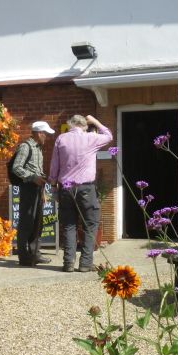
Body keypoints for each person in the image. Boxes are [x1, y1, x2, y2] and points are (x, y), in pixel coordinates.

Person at [48, 114, 113, 272]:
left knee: (69, 225)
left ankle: (68, 263)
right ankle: (85, 263)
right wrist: (95, 121)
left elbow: (54, 165)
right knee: (90, 225)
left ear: (70, 124)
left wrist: (53, 186)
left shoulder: (61, 139)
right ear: (84, 125)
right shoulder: (91, 137)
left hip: (66, 186)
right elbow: (109, 136)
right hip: (86, 187)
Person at [11, 121, 55, 266]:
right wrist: (32, 177)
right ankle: (24, 257)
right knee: (26, 222)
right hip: (28, 188)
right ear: (39, 133)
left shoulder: (38, 148)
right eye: (45, 134)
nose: (46, 137)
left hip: (37, 188)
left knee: (37, 223)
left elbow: (38, 170)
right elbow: (16, 168)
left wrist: (42, 189)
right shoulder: (25, 147)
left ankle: (35, 254)